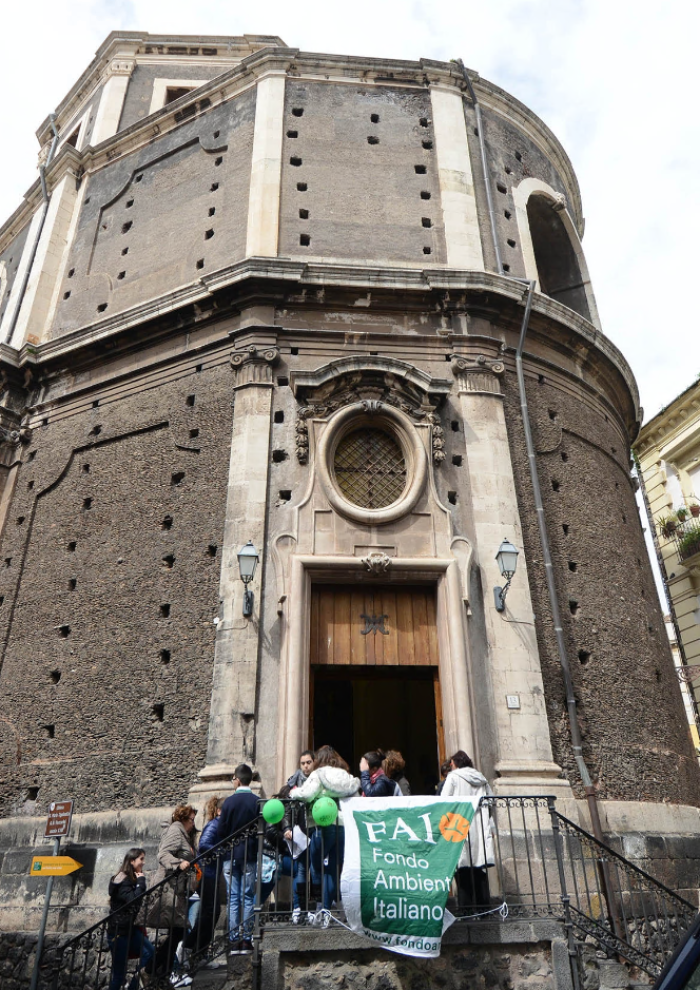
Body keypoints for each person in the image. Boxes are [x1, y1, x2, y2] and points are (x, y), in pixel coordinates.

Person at [290, 745, 360, 917]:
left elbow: (307, 794)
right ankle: (327, 909)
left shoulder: (319, 774)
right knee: (333, 868)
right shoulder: (345, 776)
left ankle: (320, 904)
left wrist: (294, 793)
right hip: (343, 825)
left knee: (315, 865)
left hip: (323, 825)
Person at [147, 805, 197, 987]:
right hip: (169, 889)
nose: (193, 824)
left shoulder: (183, 834)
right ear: (183, 819)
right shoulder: (176, 831)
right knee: (178, 931)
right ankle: (152, 969)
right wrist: (178, 863)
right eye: (191, 820)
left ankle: (161, 973)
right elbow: (163, 854)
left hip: (177, 890)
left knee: (178, 931)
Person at [441, 751, 495, 909]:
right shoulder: (480, 778)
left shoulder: (453, 777)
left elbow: (444, 802)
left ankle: (467, 910)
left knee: (462, 868)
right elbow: (491, 801)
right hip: (479, 824)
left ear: (456, 763)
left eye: (451, 763)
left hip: (460, 824)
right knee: (478, 868)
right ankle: (483, 908)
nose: (451, 766)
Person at [218, 763, 258, 954]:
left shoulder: (229, 802)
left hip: (231, 854)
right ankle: (247, 940)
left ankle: (234, 940)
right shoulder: (256, 802)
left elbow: (221, 830)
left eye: (233, 778)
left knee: (233, 898)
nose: (233, 781)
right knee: (248, 897)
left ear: (238, 779)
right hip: (249, 854)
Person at [183, 796, 224, 967]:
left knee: (212, 913)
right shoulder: (214, 825)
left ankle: (200, 952)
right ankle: (189, 947)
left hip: (212, 873)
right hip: (206, 873)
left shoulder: (220, 825)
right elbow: (204, 844)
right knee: (209, 913)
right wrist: (222, 849)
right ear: (219, 811)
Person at [107, 847, 154, 990]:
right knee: (119, 975)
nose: (143, 862)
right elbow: (133, 900)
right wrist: (141, 882)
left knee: (150, 954)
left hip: (130, 929)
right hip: (119, 932)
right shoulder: (123, 880)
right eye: (141, 859)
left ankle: (133, 986)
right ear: (132, 861)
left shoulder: (130, 879)